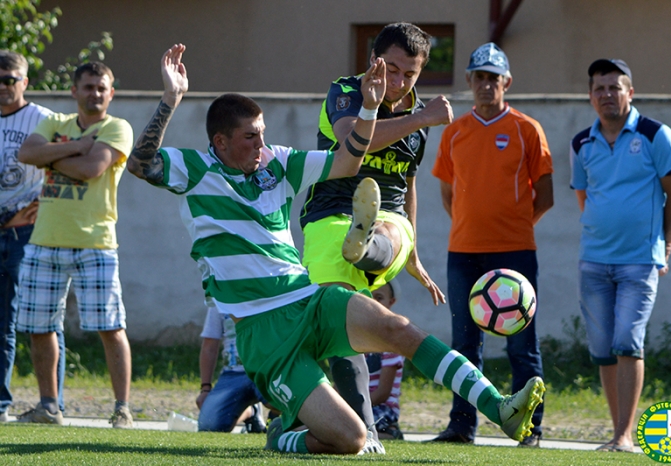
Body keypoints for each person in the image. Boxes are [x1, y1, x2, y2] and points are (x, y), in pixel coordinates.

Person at [128, 43, 544, 456]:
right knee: (351, 439)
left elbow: (346, 162)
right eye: (250, 137)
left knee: (397, 328)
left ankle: (500, 408)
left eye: (263, 134)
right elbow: (140, 164)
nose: (261, 145)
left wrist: (369, 108)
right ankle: (281, 435)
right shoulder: (196, 170)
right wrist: (170, 99)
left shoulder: (277, 163)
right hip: (263, 333)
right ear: (220, 142)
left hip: (308, 300)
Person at [300, 22, 453, 441]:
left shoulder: (416, 115)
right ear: (375, 61)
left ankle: (367, 244)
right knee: (339, 330)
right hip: (329, 214)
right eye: (394, 70)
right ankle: (356, 432)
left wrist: (416, 255)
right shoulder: (345, 91)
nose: (400, 83)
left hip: (390, 218)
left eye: (411, 75)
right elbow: (355, 139)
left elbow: (410, 183)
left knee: (389, 226)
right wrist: (421, 117)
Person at [431, 42, 553, 447]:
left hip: (515, 252)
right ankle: (462, 427)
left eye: (493, 78)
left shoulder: (526, 128)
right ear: (469, 81)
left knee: (521, 343)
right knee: (465, 343)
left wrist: (514, 227)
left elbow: (546, 194)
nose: (486, 85)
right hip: (463, 252)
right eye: (479, 77)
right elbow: (448, 195)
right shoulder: (454, 131)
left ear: (507, 83)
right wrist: (474, 226)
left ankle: (530, 429)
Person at [570, 58, 671, 452]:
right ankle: (614, 432)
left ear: (630, 93)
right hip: (594, 262)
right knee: (603, 349)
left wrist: (664, 245)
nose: (607, 95)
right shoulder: (580, 143)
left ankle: (625, 436)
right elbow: (585, 198)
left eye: (614, 87)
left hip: (640, 261)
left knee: (627, 341)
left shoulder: (657, 135)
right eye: (599, 88)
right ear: (590, 96)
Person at [15, 61, 135, 428]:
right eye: (88, 87)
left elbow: (91, 169)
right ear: (74, 91)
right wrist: (79, 147)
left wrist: (56, 156)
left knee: (110, 327)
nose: (95, 94)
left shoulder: (117, 127)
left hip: (95, 242)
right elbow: (26, 154)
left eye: (102, 87)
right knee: (39, 327)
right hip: (45, 239)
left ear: (111, 93)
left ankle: (121, 409)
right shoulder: (57, 124)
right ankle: (48, 406)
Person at [0, 50, 66, 423]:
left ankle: (52, 403)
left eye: (10, 79)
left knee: (44, 319)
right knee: (0, 324)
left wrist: (44, 203)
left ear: (24, 82)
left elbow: (64, 166)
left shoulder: (43, 119)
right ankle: (0, 404)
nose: (3, 87)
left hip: (28, 230)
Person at [196, 307, 267, 433]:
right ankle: (250, 411)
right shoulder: (218, 296)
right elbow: (209, 345)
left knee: (282, 403)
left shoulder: (274, 290)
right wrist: (205, 388)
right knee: (209, 426)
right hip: (232, 373)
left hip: (265, 370)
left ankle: (279, 421)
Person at [365, 281, 404, 440]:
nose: (373, 303)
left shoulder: (391, 342)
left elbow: (383, 393)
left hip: (381, 407)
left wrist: (353, 408)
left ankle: (389, 433)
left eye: (379, 298)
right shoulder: (358, 337)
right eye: (368, 297)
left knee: (345, 424)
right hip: (362, 404)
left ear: (391, 302)